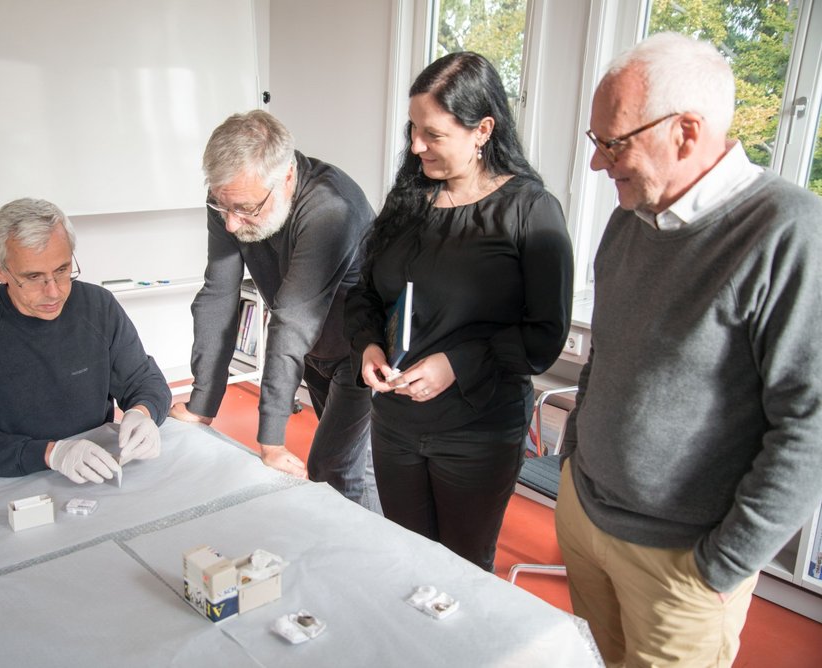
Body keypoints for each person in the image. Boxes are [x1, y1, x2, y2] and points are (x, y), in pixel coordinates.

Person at [558, 32, 822, 666]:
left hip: (684, 562)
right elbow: (607, 353)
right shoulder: (630, 216)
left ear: (685, 131)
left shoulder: (790, 233)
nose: (598, 164)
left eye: (612, 142)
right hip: (585, 510)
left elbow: (809, 426)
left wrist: (723, 564)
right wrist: (572, 458)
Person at [344, 52, 573, 572]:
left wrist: (457, 363)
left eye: (433, 134)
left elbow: (544, 335)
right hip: (396, 423)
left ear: (482, 130)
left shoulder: (530, 212)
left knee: (463, 575)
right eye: (413, 131)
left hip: (477, 430)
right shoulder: (408, 201)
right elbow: (365, 293)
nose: (416, 146)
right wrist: (368, 346)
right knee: (405, 563)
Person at [169, 110, 379, 510]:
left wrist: (271, 438)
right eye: (221, 206)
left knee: (333, 469)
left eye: (245, 209)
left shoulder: (331, 208)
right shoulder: (230, 198)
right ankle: (382, 559)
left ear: (285, 177)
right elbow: (218, 294)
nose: (231, 224)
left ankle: (375, 566)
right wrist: (202, 404)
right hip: (315, 352)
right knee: (355, 468)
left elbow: (293, 318)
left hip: (361, 354)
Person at [0, 198, 172, 483]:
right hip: (5, 481)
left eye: (62, 270)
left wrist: (143, 412)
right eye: (33, 277)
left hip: (96, 473)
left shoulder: (98, 306)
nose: (54, 292)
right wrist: (50, 454)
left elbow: (145, 380)